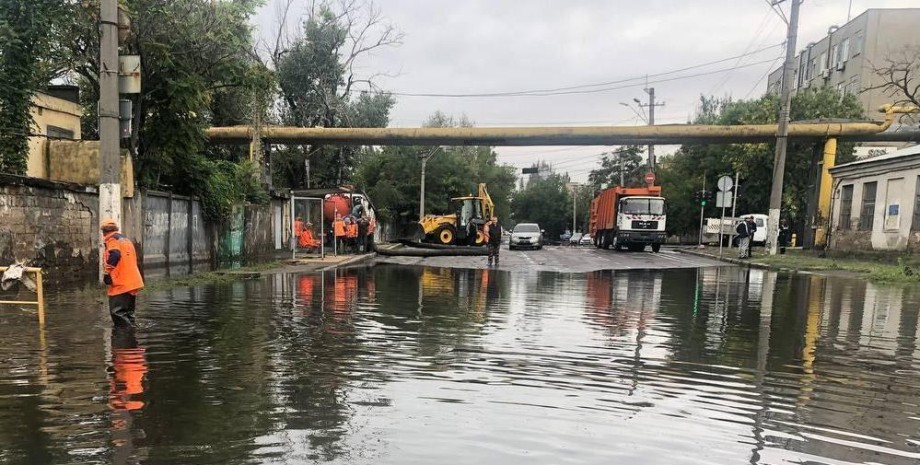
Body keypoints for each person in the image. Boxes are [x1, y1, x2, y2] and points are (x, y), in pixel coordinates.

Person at [101, 219, 144, 327]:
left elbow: (115, 254)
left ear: (104, 232)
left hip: (121, 283)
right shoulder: (125, 240)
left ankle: (123, 338)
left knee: (117, 313)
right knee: (129, 314)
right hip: (133, 282)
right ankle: (131, 338)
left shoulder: (112, 240)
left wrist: (107, 273)